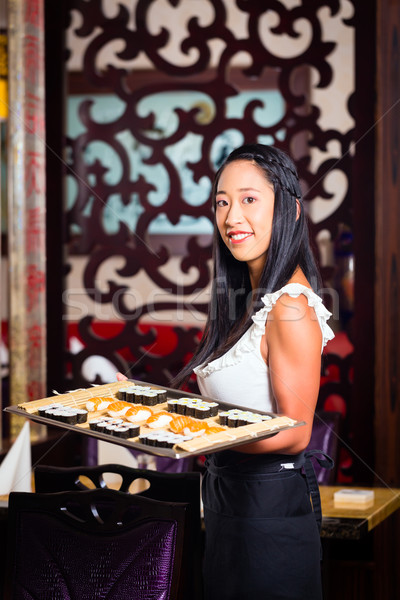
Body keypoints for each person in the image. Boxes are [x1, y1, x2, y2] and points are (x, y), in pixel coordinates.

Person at [119, 143, 334, 600]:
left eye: (249, 199)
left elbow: (295, 433)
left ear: (290, 211)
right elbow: (229, 410)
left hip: (269, 509)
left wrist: (193, 434)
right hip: (226, 501)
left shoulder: (290, 306)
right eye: (222, 201)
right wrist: (150, 403)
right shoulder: (249, 301)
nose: (232, 215)